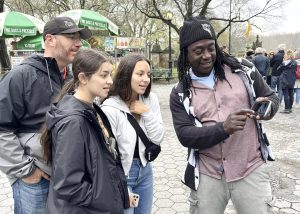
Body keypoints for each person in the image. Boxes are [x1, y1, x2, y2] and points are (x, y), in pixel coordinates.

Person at [169, 16, 279, 214]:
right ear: (185, 54)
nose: (207, 55)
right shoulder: (180, 92)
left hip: (249, 168)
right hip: (208, 173)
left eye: (211, 47)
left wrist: (267, 109)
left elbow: (271, 96)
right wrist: (223, 129)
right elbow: (185, 135)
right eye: (198, 50)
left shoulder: (243, 70)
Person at [0, 17, 91, 213]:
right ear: (49, 39)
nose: (78, 43)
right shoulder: (21, 76)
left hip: (69, 177)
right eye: (71, 37)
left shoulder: (74, 78)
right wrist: (26, 171)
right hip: (36, 181)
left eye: (79, 38)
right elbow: (1, 128)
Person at [40, 49, 129, 213]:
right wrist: (107, 199)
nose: (110, 81)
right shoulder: (74, 121)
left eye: (110, 74)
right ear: (82, 78)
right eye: (103, 75)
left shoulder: (91, 109)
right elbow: (68, 185)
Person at [101, 54, 164, 214]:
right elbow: (107, 154)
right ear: (126, 74)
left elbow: (157, 138)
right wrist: (121, 185)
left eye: (148, 74)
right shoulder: (110, 108)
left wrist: (146, 113)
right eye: (140, 74)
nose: (146, 79)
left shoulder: (151, 100)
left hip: (145, 170)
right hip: (122, 174)